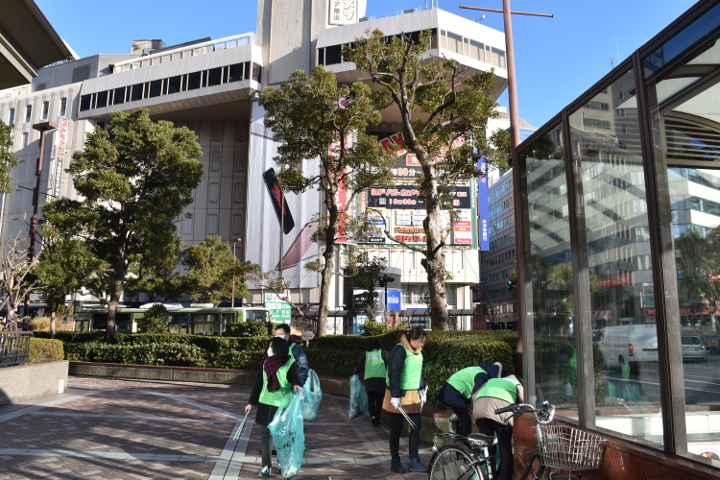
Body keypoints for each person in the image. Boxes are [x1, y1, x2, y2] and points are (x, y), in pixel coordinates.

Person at [245, 337, 303, 477]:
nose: (269, 349)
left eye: (272, 347)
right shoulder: (266, 362)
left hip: (282, 405)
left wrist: (296, 384)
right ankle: (266, 467)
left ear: (279, 348)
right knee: (266, 436)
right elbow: (259, 383)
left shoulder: (289, 362)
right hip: (265, 403)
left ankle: (283, 464)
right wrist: (251, 403)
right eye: (268, 347)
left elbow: (295, 378)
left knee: (282, 436)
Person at [383, 326, 428, 474]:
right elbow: (394, 374)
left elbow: (418, 371)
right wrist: (395, 396)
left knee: (416, 427)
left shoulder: (417, 352)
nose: (422, 345)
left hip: (413, 395)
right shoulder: (399, 350)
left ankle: (414, 460)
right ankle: (395, 461)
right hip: (399, 395)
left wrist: (421, 388)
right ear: (412, 340)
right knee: (396, 428)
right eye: (420, 342)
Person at [472, 374, 523, 480]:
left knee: (488, 449)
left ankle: (491, 477)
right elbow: (524, 398)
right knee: (505, 449)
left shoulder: (491, 380)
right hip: (500, 408)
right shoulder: (515, 382)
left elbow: (474, 395)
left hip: (479, 407)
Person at [436, 362, 502, 436]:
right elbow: (476, 393)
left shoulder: (478, 370)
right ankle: (464, 444)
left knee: (462, 419)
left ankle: (459, 442)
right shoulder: (483, 375)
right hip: (453, 392)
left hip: (450, 390)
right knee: (466, 422)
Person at [352, 337, 389, 425]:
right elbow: (389, 363)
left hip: (369, 379)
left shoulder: (367, 353)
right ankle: (377, 418)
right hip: (381, 379)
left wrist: (354, 372)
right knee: (380, 400)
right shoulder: (382, 352)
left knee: (371, 399)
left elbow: (360, 364)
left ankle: (372, 416)